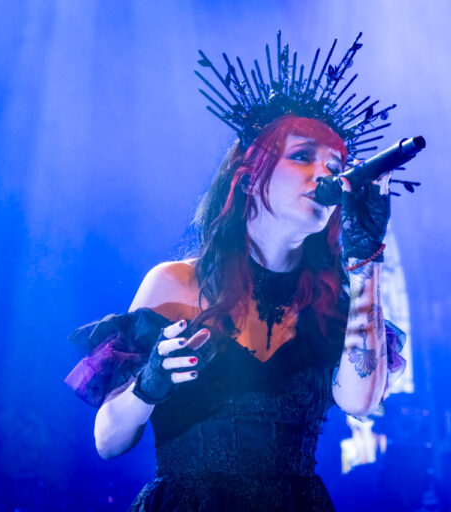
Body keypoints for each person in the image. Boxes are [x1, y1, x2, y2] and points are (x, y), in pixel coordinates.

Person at [65, 33, 407, 511]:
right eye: (303, 156)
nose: (324, 175)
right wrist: (148, 383)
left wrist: (366, 258)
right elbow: (107, 442)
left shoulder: (335, 305)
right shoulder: (175, 285)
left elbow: (361, 402)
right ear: (249, 174)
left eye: (335, 166)